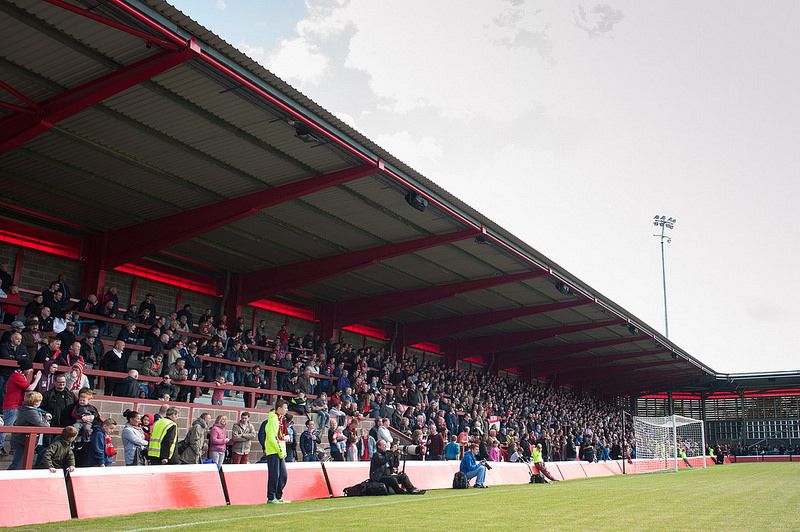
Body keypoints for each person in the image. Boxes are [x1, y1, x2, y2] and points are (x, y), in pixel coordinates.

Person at [2, 358, 41, 455]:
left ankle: (12, 448)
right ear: (26, 369)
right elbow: (30, 388)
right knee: (7, 427)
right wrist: (37, 379)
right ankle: (0, 446)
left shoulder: (20, 376)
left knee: (15, 429)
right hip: (12, 405)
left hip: (17, 405)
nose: (31, 371)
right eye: (30, 369)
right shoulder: (17, 376)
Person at [8, 391, 50, 470]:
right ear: (35, 402)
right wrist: (46, 420)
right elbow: (43, 425)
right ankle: (6, 480)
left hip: (21, 439)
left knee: (20, 462)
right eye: (39, 400)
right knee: (18, 464)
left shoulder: (25, 410)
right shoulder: (31, 412)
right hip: (22, 440)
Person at [265, 400, 289, 504]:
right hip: (273, 451)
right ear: (279, 408)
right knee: (274, 475)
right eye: (285, 408)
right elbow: (271, 437)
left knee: (283, 475)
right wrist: (279, 450)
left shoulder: (281, 419)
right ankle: (271, 497)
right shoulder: (273, 420)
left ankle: (279, 496)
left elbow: (280, 437)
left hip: (280, 451)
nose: (286, 410)